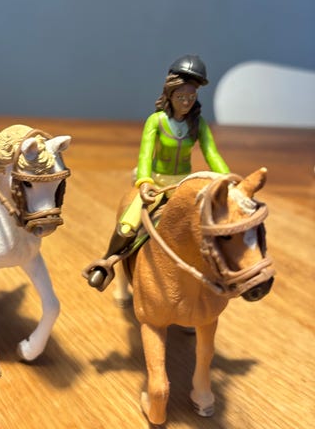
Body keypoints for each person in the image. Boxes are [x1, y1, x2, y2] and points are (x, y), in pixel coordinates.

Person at [85, 54, 229, 289]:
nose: (186, 102)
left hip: (184, 184)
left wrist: (227, 178)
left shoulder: (198, 124)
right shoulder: (156, 121)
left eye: (191, 97)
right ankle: (106, 263)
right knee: (128, 225)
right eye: (181, 97)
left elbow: (211, 153)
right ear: (170, 95)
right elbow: (145, 154)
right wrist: (144, 181)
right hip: (158, 182)